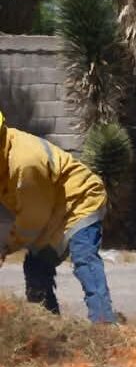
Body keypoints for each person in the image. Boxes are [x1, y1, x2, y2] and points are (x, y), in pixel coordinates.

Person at [0, 112, 117, 323]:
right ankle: (47, 325)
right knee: (36, 266)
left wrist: (7, 246)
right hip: (51, 209)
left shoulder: (25, 161)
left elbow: (34, 218)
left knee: (84, 257)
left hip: (79, 200)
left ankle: (105, 324)